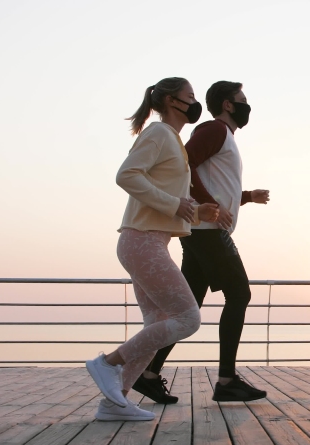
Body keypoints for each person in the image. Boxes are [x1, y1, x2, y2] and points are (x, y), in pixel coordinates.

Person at [85, 77, 219, 421]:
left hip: (149, 240)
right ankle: (107, 364)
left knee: (157, 323)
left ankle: (114, 404)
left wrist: (192, 209)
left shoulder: (172, 140)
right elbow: (127, 175)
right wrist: (174, 204)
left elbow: (166, 193)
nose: (194, 102)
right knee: (188, 318)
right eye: (190, 96)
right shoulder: (159, 133)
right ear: (173, 101)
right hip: (142, 239)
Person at [132, 81, 270, 403]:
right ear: (227, 105)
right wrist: (210, 205)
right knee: (239, 294)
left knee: (187, 308)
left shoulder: (225, 137)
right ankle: (226, 380)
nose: (247, 106)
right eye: (242, 101)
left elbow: (216, 182)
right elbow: (183, 165)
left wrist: (246, 197)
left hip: (201, 231)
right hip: (207, 232)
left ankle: (149, 374)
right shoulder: (215, 130)